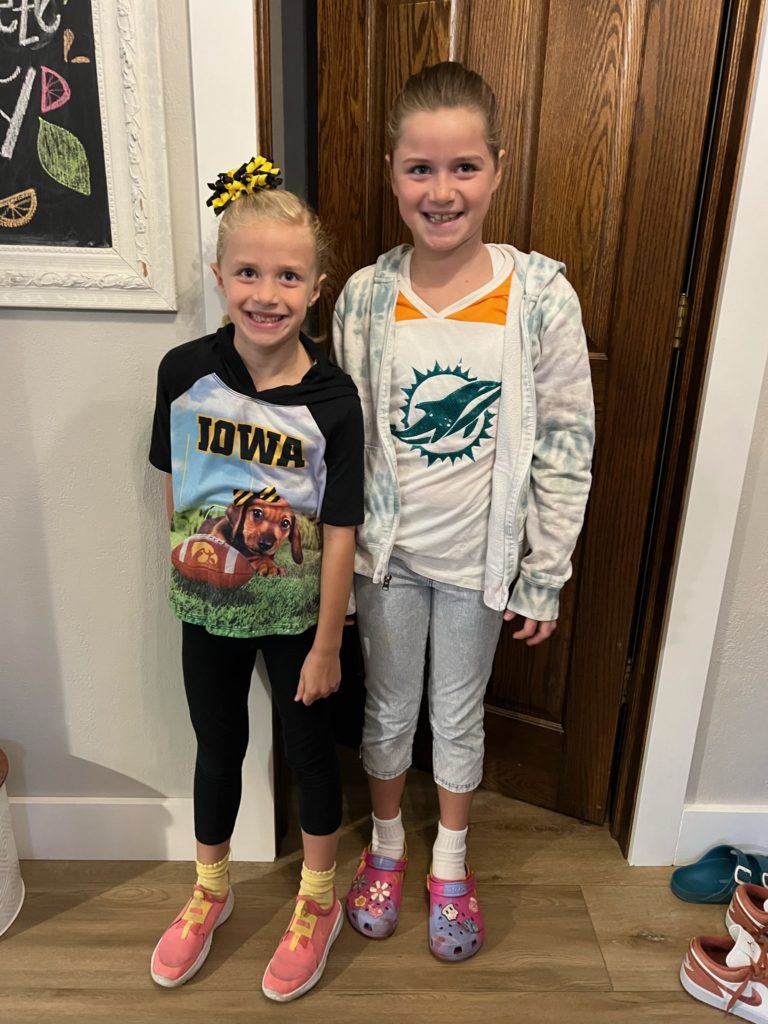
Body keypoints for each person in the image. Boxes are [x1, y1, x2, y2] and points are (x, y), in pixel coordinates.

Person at [333, 63, 595, 961]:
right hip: (386, 561)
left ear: (497, 169)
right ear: (392, 172)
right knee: (385, 711)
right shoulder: (365, 297)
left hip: (480, 567)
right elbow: (338, 441)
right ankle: (386, 848)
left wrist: (544, 573)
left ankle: (450, 862)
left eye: (464, 168)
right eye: (420, 169)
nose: (440, 192)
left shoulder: (540, 297)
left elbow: (566, 442)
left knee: (457, 714)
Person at [148, 157, 363, 1000]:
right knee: (218, 747)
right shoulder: (182, 372)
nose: (266, 293)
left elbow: (340, 533)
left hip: (298, 621)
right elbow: (177, 484)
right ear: (219, 275)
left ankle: (318, 900)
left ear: (316, 289)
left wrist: (327, 644)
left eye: (288, 276)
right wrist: (192, 570)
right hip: (206, 608)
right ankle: (211, 888)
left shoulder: (333, 399)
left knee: (309, 755)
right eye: (247, 272)